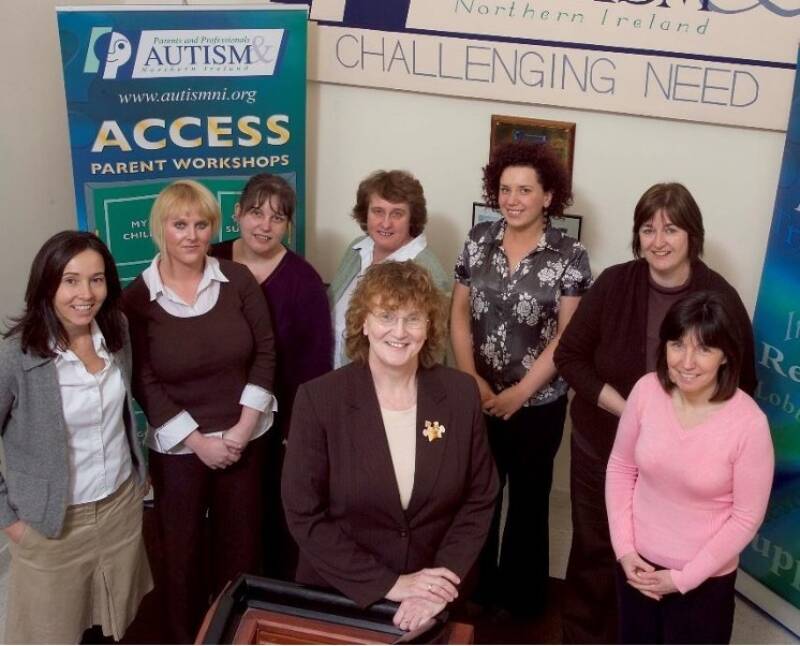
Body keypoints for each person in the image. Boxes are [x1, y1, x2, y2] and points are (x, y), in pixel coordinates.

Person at [554, 182, 757, 643]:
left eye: (671, 229)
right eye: (647, 229)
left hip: (682, 472)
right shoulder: (613, 284)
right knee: (595, 554)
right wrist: (631, 411)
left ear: (693, 236)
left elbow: (742, 388)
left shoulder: (719, 299)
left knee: (656, 570)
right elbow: (569, 359)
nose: (658, 241)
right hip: (602, 449)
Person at [282, 260, 498, 632]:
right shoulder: (319, 400)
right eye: (385, 315)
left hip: (434, 598)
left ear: (429, 326)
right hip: (342, 595)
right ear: (363, 323)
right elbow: (304, 514)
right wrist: (391, 584)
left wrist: (437, 585)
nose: (399, 331)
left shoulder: (460, 394)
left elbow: (479, 498)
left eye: (413, 318)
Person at [123, 179, 276, 643]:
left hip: (242, 440)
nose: (191, 234)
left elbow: (265, 353)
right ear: (160, 230)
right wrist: (197, 442)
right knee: (180, 557)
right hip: (179, 450)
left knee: (241, 553)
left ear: (213, 229)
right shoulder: (136, 299)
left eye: (201, 224)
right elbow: (142, 380)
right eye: (179, 224)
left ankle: (235, 635)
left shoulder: (239, 281)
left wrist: (242, 428)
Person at [451, 141, 592, 616]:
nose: (513, 199)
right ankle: (478, 590)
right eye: (505, 189)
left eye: (525, 190)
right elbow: (458, 316)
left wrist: (522, 392)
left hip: (540, 402)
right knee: (480, 496)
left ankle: (523, 600)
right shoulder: (477, 239)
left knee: (530, 501)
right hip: (479, 393)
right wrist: (470, 378)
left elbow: (569, 337)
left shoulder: (571, 254)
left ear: (548, 196)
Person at [0, 231, 152, 643]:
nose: (85, 293)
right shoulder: (16, 355)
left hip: (120, 507)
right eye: (70, 280)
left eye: (97, 279)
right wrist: (10, 522)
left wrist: (140, 474)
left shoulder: (116, 329)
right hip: (53, 525)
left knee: (112, 625)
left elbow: (123, 408)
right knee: (52, 632)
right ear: (47, 283)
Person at [606, 291, 773, 644]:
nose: (687, 361)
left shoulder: (749, 424)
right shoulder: (646, 391)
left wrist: (682, 579)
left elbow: (746, 518)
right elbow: (621, 468)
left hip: (704, 581)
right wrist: (624, 550)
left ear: (726, 355)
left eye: (704, 349)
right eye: (677, 345)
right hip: (637, 567)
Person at [210, 173, 332, 579]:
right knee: (221, 523)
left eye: (277, 218)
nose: (265, 225)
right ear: (237, 213)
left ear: (288, 226)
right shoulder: (208, 260)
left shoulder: (304, 282)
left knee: (272, 517)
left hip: (277, 425)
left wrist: (297, 432)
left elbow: (314, 366)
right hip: (209, 420)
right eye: (256, 213)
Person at [329, 169, 452, 368]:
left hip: (375, 390)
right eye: (378, 211)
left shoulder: (429, 273)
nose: (386, 223)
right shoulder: (357, 247)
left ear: (412, 218)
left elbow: (432, 356)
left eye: (397, 213)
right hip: (332, 378)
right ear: (365, 213)